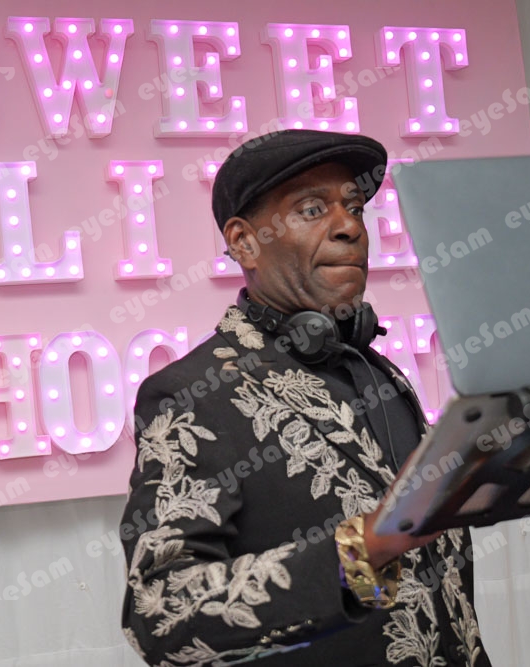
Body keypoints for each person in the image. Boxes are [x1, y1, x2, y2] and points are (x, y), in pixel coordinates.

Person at [119, 129, 491, 666]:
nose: (350, 227)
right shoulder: (193, 395)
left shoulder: (379, 373)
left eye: (355, 208)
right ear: (244, 242)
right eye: (312, 209)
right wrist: (358, 553)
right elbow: (162, 612)